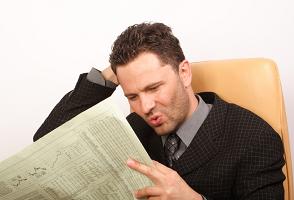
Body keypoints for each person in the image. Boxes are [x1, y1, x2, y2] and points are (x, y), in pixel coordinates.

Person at [33, 22, 285, 200]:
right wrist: (112, 75)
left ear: (184, 73)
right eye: (132, 96)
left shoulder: (254, 138)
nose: (144, 107)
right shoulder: (135, 128)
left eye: (153, 88)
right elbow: (47, 143)